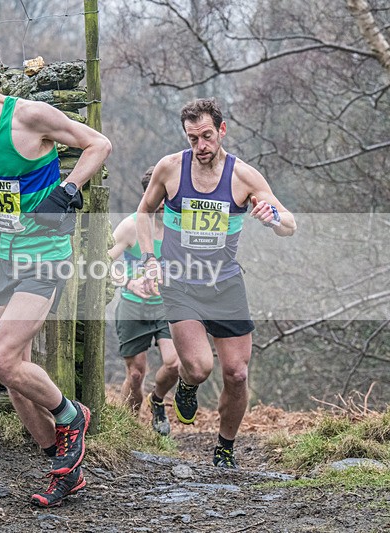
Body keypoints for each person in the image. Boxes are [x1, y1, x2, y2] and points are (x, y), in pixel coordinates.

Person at [0, 32, 111, 507]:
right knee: (13, 376)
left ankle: (72, 416)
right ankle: (64, 468)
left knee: (0, 359)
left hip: (43, 253)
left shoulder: (30, 116)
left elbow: (98, 144)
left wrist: (69, 190)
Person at [136, 98, 296, 468]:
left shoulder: (244, 176)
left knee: (237, 374)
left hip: (225, 285)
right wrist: (149, 260)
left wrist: (272, 217)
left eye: (207, 136)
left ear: (221, 130)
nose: (201, 146)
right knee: (197, 368)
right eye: (193, 139)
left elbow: (289, 225)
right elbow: (144, 212)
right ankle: (187, 384)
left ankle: (225, 448)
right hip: (180, 282)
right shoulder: (170, 168)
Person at [108, 167, 178, 436]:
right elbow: (102, 263)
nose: (161, 204)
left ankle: (157, 400)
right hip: (133, 306)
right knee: (136, 374)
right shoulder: (130, 227)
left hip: (166, 306)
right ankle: (129, 429)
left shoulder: (178, 227)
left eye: (166, 197)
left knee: (174, 364)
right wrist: (129, 282)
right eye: (156, 197)